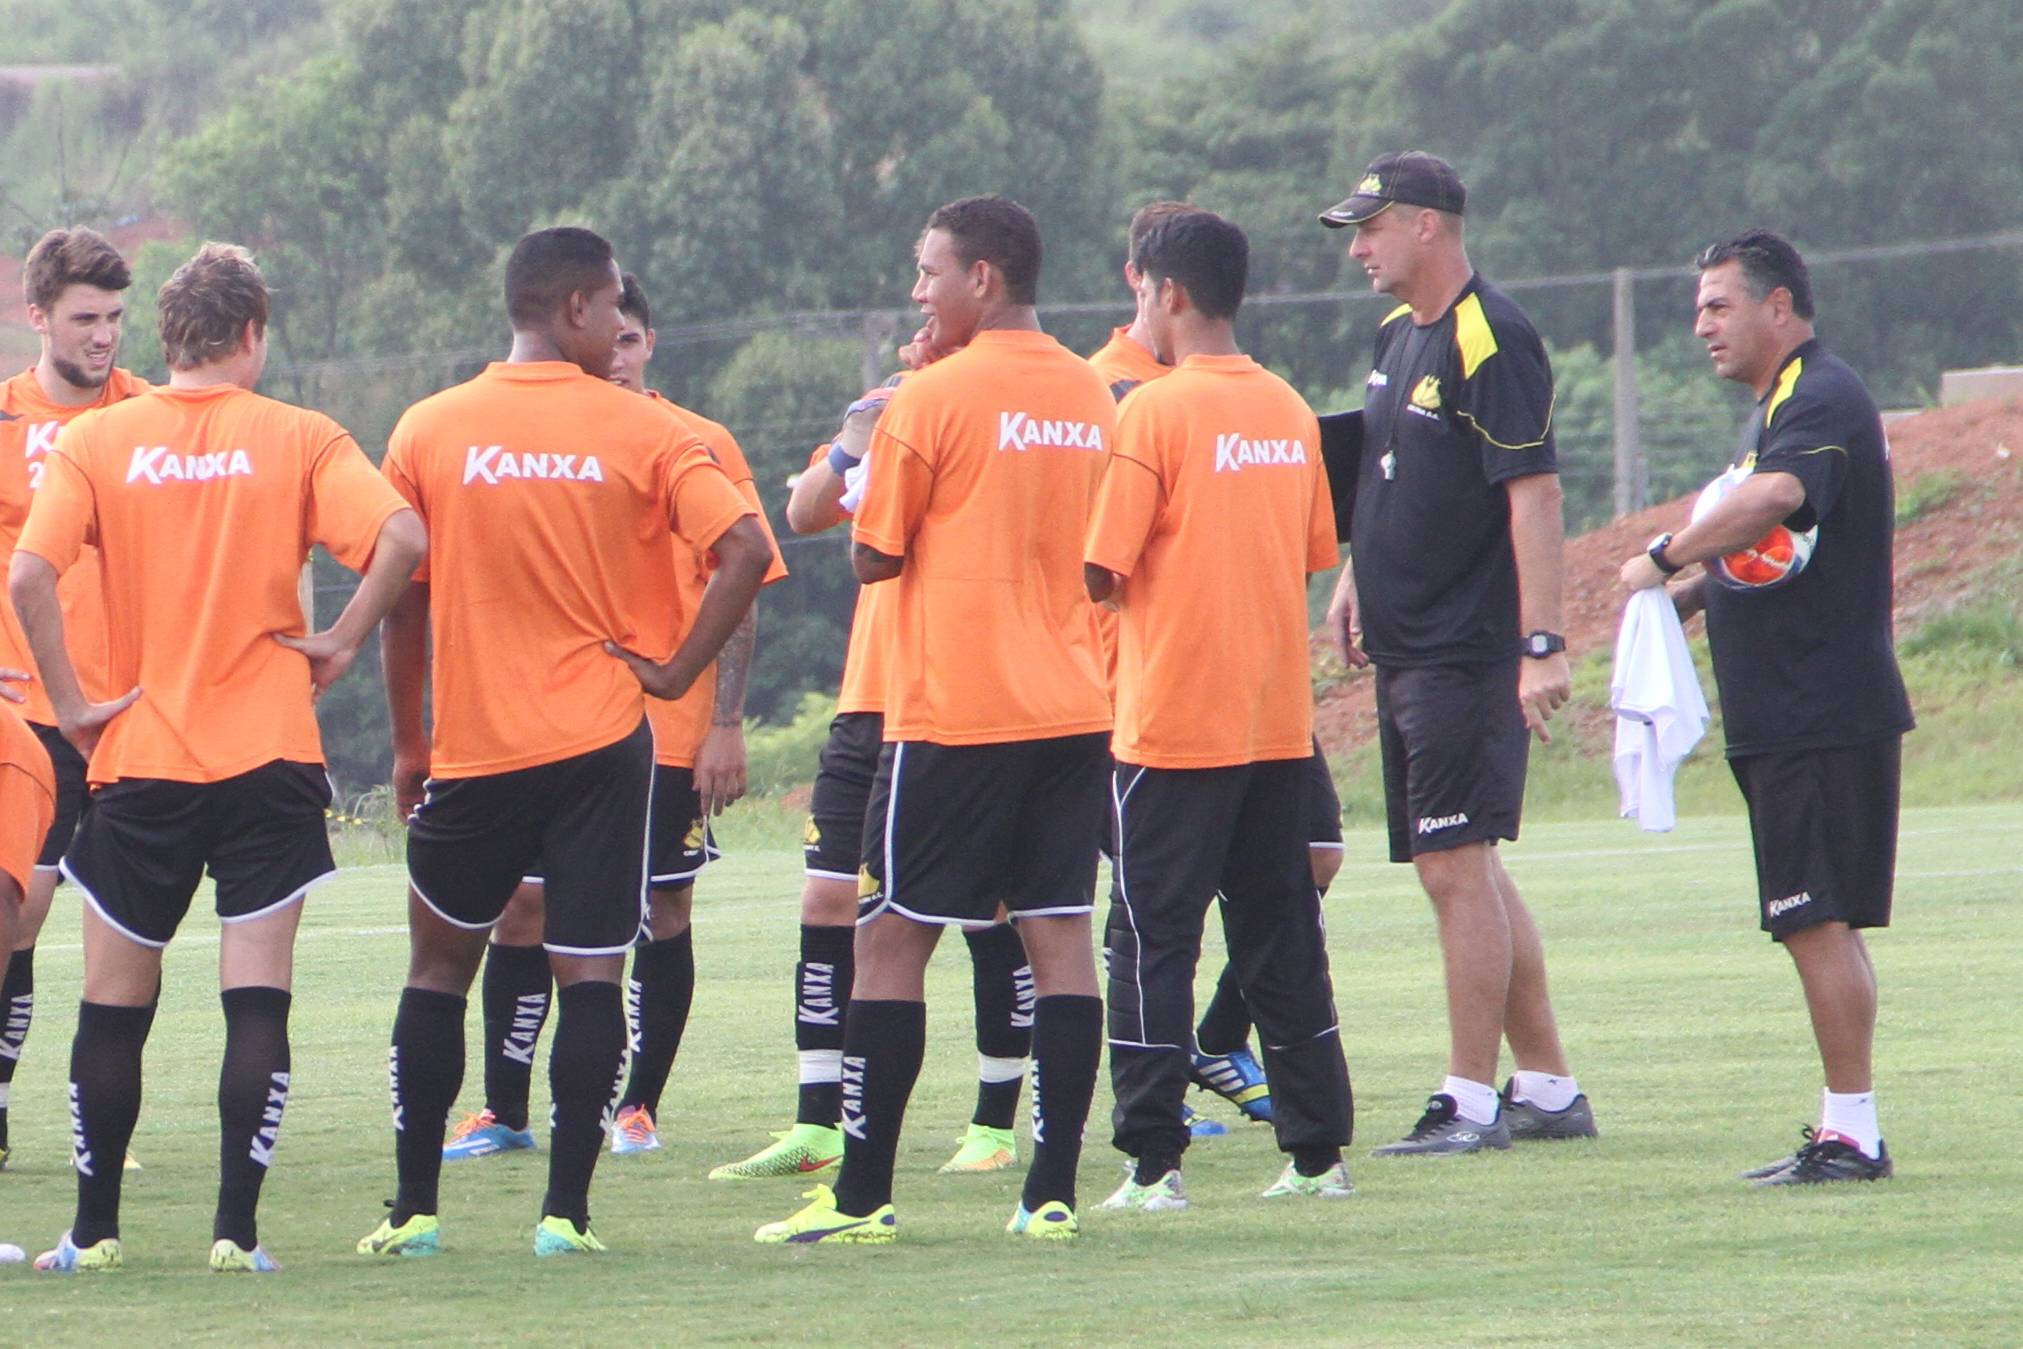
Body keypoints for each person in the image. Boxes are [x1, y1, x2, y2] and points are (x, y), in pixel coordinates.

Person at [357, 227, 771, 1260]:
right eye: (611, 308)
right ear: (580, 310)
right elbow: (748, 549)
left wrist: (409, 741)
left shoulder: (431, 427)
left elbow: (402, 601)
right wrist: (675, 676)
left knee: (436, 972)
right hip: (601, 747)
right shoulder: (644, 429)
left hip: (477, 748)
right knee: (591, 973)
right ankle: (564, 1216)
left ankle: (412, 1214)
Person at [13, 241, 427, 1272]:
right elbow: (405, 540)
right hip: (270, 755)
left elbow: (27, 576)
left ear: (163, 337)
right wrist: (339, 638)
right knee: (256, 995)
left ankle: (95, 1232)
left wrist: (71, 703)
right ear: (252, 335)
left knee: (114, 1001)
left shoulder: (101, 441)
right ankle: (235, 1234)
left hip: (141, 752)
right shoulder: (299, 435)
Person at [755, 195, 1113, 1244]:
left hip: (955, 708)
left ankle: (860, 1195)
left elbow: (872, 552)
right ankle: (1048, 1192)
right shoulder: (1097, 396)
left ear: (983, 278)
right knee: (1059, 939)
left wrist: (867, 450)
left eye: (929, 270)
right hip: (1071, 705)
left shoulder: (933, 394)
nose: (918, 290)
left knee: (889, 939)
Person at [444, 272, 787, 1163]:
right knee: (521, 912)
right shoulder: (532, 435)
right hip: (547, 729)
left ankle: (636, 1105)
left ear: (649, 344)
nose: (620, 354)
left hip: (665, 732)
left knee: (659, 915)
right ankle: (504, 1107)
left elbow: (739, 581)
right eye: (611, 335)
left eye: (634, 339)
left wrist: (724, 719)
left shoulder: (694, 440)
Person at [1316, 152, 1595, 1154]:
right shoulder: (1398, 335)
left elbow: (1536, 494)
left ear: (1426, 225)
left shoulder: (1492, 334)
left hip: (1465, 648)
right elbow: (1386, 477)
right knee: (1461, 861)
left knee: (1451, 862)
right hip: (1406, 643)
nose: (1358, 248)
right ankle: (1550, 1085)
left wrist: (1541, 644)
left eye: (1370, 227)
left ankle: (1470, 1099)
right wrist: (1356, 573)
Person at [1620, 229, 1911, 1185]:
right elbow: (1783, 546)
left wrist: (1665, 554)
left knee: (1809, 915)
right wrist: (1688, 596)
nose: (1702, 323)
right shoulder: (1782, 405)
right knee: (1815, 918)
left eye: (1718, 304)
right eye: (1698, 306)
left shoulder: (1816, 395)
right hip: (1798, 708)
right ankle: (1847, 1124)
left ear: (1776, 307)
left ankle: (1850, 1135)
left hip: (1816, 707)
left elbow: (1779, 498)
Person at [715, 335, 1040, 1182]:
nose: (916, 326)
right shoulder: (896, 408)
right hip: (870, 694)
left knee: (985, 911)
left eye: (931, 290)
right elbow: (807, 510)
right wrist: (861, 424)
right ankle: (818, 1121)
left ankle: (993, 1120)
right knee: (829, 900)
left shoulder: (1011, 410)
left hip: (968, 693)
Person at [1085, 209, 1354, 1210]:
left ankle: (1152, 1162)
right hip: (1274, 721)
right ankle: (1319, 1151)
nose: (1136, 310)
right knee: (1281, 936)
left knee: (1151, 939)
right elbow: (1308, 552)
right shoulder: (1287, 406)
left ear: (1171, 294)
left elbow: (1099, 571)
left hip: (1170, 721)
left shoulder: (1150, 412)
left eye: (1138, 292)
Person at [0, 228, 151, 1171]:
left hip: (134, 718)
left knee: (129, 928)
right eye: (85, 318)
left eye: (115, 319)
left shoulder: (150, 415)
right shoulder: (6, 421)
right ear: (38, 316)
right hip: (30, 722)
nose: (104, 337)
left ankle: (103, 1122)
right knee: (17, 919)